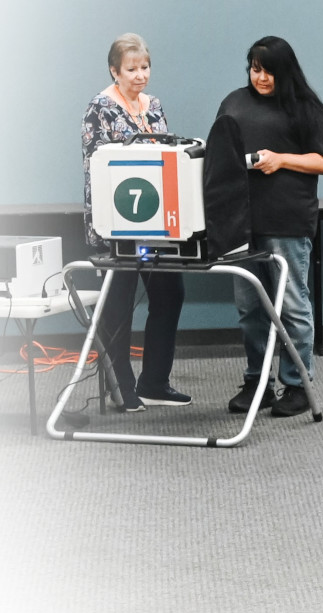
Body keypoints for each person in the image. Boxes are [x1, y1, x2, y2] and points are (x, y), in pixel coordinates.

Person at [216, 36, 323, 417]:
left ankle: (297, 385)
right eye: (255, 69)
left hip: (286, 220)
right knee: (250, 307)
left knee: (291, 305)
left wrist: (281, 159)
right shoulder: (233, 103)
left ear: (285, 71)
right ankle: (258, 384)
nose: (261, 78)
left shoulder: (305, 108)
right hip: (240, 222)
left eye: (268, 71)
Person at [81, 33, 188, 412]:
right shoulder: (100, 107)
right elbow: (99, 167)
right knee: (118, 304)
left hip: (157, 222)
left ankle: (155, 382)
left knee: (169, 294)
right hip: (117, 224)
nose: (140, 75)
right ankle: (121, 387)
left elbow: (167, 155)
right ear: (114, 70)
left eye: (145, 67)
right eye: (132, 69)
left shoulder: (153, 105)